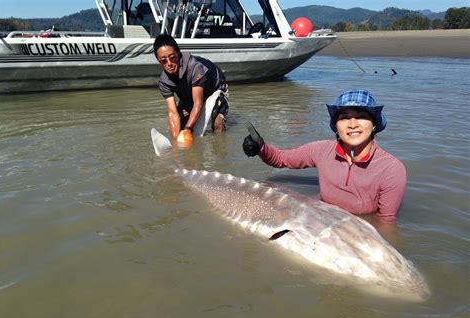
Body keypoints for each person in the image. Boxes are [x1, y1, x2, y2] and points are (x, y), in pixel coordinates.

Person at [242, 89, 406, 223]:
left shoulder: (391, 169)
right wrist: (260, 147)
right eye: (344, 118)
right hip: (320, 214)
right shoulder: (321, 150)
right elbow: (282, 159)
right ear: (336, 127)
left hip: (357, 226)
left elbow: (386, 221)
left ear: (374, 124)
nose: (353, 124)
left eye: (362, 116)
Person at [153, 34, 229, 141]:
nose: (169, 63)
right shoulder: (164, 82)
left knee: (217, 123)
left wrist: (188, 129)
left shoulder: (194, 67)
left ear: (178, 54)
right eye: (163, 61)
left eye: (172, 57)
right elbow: (172, 113)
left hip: (215, 89)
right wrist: (177, 141)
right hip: (189, 95)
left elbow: (198, 103)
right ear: (159, 62)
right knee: (179, 126)